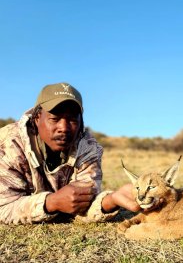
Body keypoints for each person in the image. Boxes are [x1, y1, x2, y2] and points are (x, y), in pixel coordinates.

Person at [0, 82, 140, 224]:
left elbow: (84, 205)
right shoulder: (8, 144)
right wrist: (51, 203)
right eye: (54, 119)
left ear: (81, 122)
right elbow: (3, 207)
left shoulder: (87, 147)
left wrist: (111, 200)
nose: (64, 128)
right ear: (37, 118)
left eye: (72, 119)